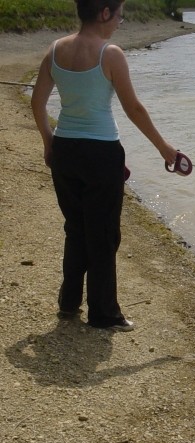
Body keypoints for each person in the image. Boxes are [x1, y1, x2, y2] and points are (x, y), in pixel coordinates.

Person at [31, 0, 178, 332]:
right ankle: (103, 313)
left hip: (65, 150)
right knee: (103, 234)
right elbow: (134, 108)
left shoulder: (54, 50)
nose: (120, 21)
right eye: (120, 14)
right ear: (104, 13)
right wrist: (164, 148)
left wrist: (48, 141)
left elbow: (37, 101)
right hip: (101, 154)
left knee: (76, 227)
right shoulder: (110, 54)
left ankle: (69, 302)